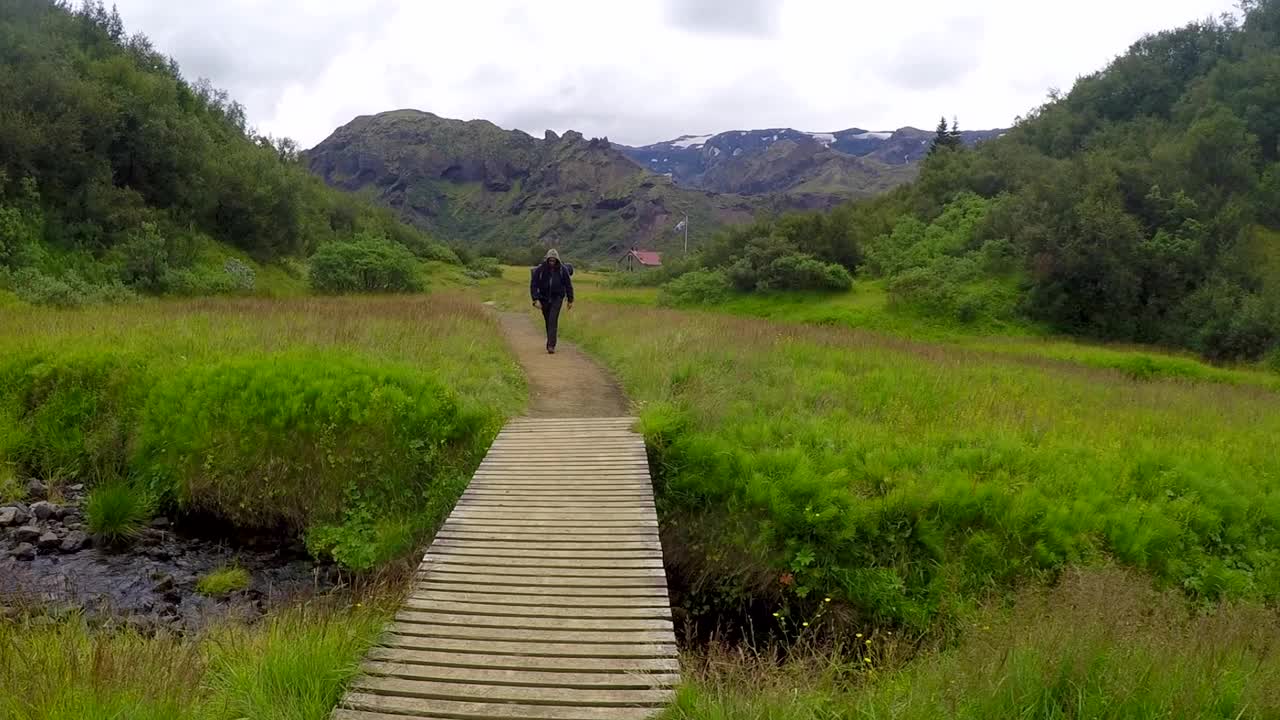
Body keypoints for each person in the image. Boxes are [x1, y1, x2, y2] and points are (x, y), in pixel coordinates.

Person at [530, 249, 574, 354]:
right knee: (547, 321)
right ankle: (550, 341)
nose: (552, 262)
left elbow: (568, 285)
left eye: (554, 260)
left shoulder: (562, 270)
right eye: (550, 260)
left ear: (557, 260)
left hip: (557, 298)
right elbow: (534, 284)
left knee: (552, 320)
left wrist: (570, 300)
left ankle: (551, 345)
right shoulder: (540, 270)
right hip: (543, 298)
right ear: (547, 260)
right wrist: (535, 299)